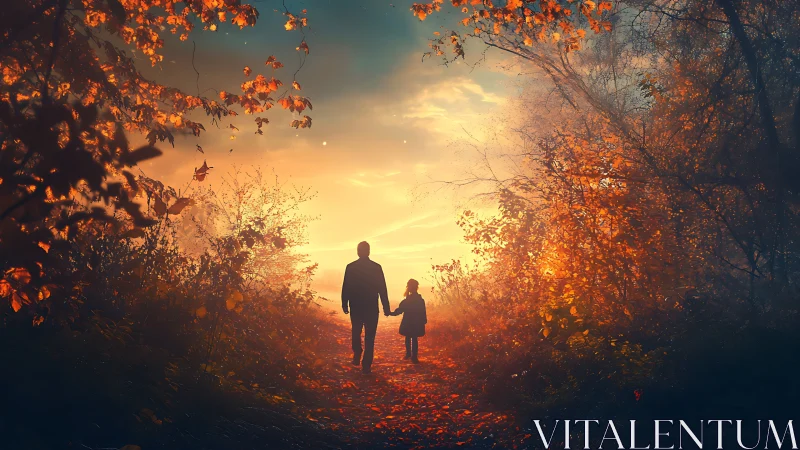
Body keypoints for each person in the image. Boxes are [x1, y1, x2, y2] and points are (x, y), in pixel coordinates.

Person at [341, 241, 390, 374]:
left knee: (356, 332)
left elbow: (346, 287)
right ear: (369, 251)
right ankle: (366, 365)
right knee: (370, 337)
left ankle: (357, 352)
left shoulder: (351, 267)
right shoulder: (376, 267)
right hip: (371, 307)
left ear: (358, 251)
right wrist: (386, 307)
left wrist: (344, 303)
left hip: (356, 307)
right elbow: (382, 289)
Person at [388, 279, 427, 364]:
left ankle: (409, 354)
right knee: (414, 338)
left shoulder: (407, 300)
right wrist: (424, 321)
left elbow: (400, 310)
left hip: (408, 321)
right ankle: (414, 356)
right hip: (417, 321)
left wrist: (390, 313)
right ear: (417, 287)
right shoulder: (420, 300)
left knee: (408, 337)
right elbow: (423, 312)